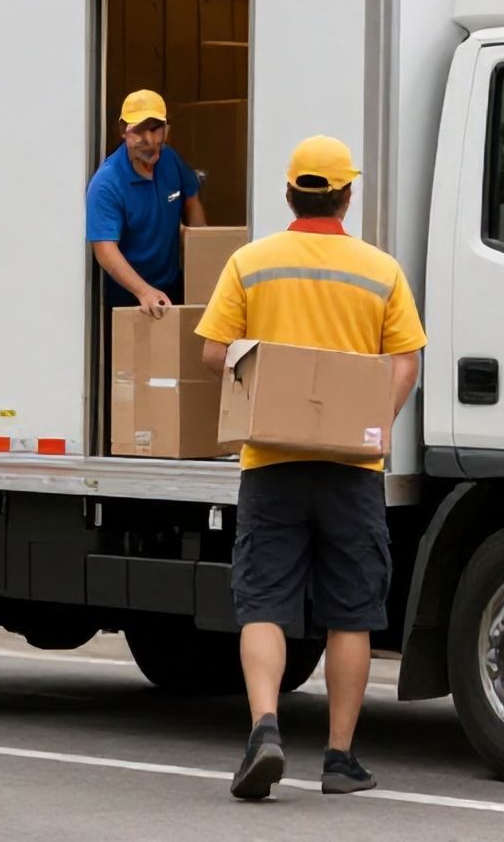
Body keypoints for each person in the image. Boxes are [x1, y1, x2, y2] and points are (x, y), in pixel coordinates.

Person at [195, 135, 427, 800]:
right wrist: (375, 417)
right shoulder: (379, 271)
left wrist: (264, 366)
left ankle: (265, 726)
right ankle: (340, 758)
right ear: (347, 195)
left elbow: (215, 352)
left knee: (264, 599)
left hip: (272, 458)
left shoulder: (252, 263)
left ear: (290, 192)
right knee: (350, 611)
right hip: (354, 466)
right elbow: (405, 357)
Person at [86, 89, 206, 317]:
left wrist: (201, 252)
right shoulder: (107, 183)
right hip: (130, 296)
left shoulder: (170, 160)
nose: (149, 140)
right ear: (124, 131)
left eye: (155, 128)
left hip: (173, 285)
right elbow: (104, 248)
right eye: (139, 131)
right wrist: (143, 291)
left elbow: (191, 198)